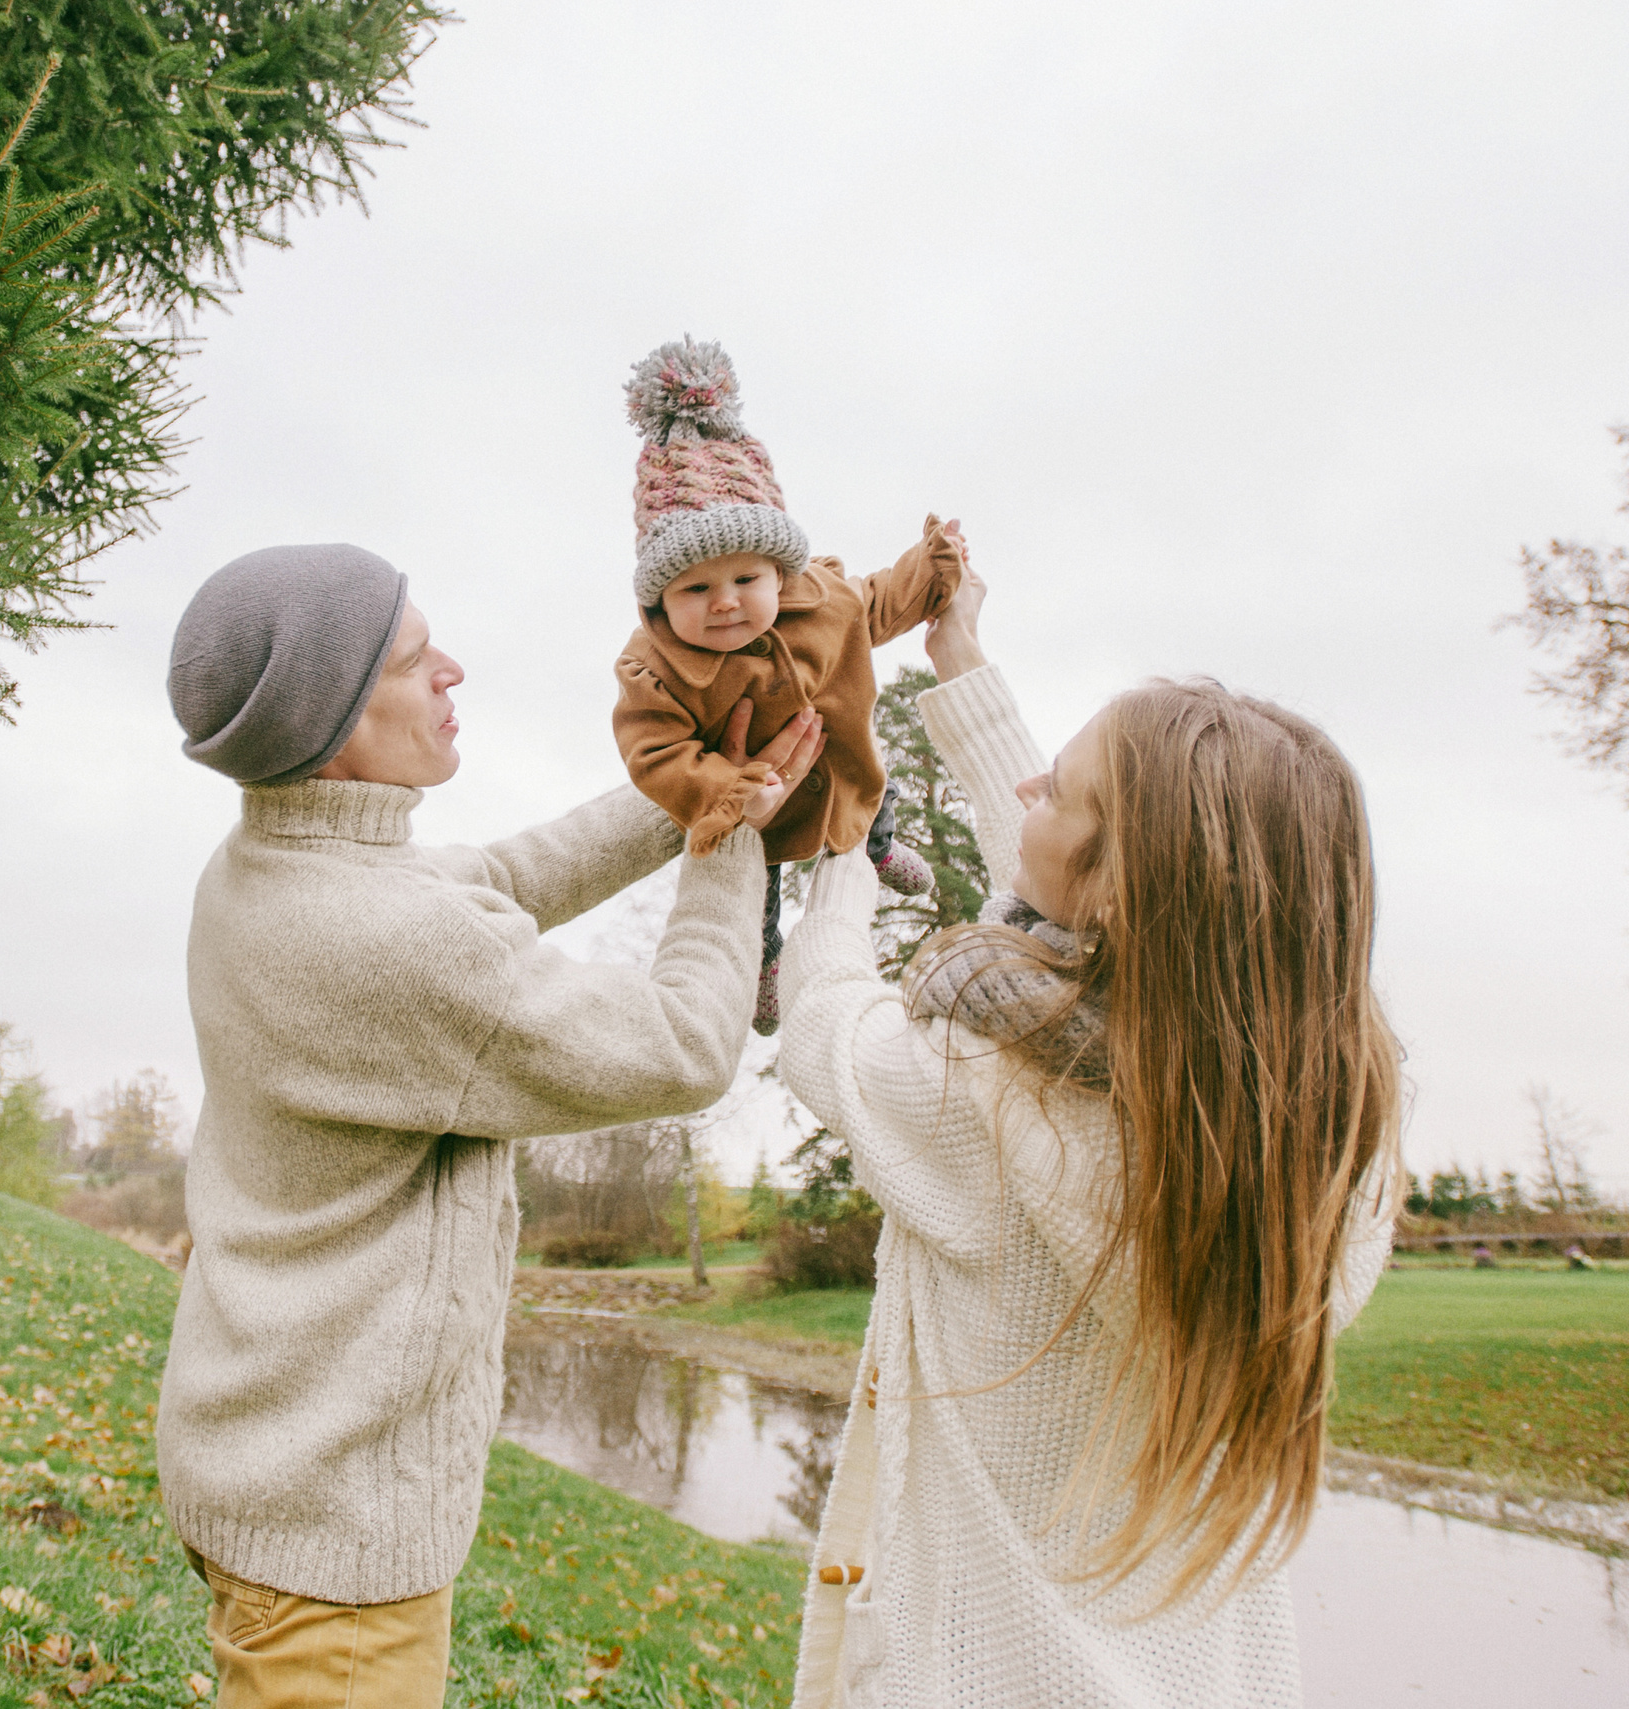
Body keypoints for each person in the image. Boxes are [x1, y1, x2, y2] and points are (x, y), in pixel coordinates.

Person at [155, 543, 818, 1709]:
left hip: (258, 1461)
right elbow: (682, 1040)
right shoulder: (386, 943)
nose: (453, 669)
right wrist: (727, 841)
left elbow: (494, 878)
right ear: (331, 720)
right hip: (335, 1532)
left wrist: (682, 778)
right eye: (416, 659)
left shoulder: (261, 863)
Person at [778, 557, 1402, 1707]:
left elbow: (826, 1025)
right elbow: (1068, 878)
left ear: (1120, 888)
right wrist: (958, 661)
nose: (1028, 799)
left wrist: (838, 853)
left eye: (1057, 792)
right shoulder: (1330, 1135)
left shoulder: (986, 1094)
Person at [610, 337, 966, 1035]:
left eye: (746, 579)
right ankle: (765, 964)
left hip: (842, 763)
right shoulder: (653, 667)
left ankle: (881, 849)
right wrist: (725, 789)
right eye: (696, 587)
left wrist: (932, 569)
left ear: (780, 573)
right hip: (758, 808)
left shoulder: (827, 599)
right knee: (757, 890)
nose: (724, 602)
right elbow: (653, 750)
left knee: (874, 789)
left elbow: (882, 601)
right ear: (659, 597)